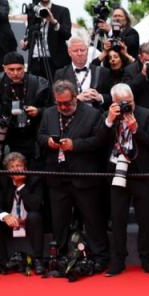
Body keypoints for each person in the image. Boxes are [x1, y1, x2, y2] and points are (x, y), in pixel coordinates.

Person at [37, 79, 109, 271]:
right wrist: (49, 143)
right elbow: (40, 135)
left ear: (76, 97)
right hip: (57, 176)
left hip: (83, 176)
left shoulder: (93, 114)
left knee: (93, 220)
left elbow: (100, 141)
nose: (63, 107)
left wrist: (75, 145)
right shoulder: (50, 113)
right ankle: (59, 257)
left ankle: (100, 257)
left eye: (67, 103)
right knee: (59, 221)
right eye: (59, 103)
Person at [100, 84, 149, 276]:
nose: (128, 106)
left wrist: (136, 130)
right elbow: (98, 143)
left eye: (130, 101)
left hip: (141, 173)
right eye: (123, 103)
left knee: (145, 219)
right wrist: (109, 121)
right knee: (117, 219)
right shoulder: (108, 116)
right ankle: (118, 261)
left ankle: (147, 260)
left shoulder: (147, 114)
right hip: (116, 172)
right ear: (114, 103)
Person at [0, 152, 45, 273]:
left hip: (30, 224)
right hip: (10, 225)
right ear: (7, 171)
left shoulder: (35, 180)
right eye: (12, 167)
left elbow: (36, 206)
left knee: (34, 216)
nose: (16, 169)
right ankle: (2, 261)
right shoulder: (3, 182)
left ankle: (38, 259)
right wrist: (6, 216)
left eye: (19, 165)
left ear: (25, 168)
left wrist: (21, 186)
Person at [0, 52, 50, 161]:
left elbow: (52, 109)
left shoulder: (39, 83)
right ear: (4, 68)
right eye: (11, 70)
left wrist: (38, 111)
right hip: (7, 132)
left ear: (24, 67)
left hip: (31, 133)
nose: (16, 73)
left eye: (19, 69)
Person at [22, 0, 72, 80]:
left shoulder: (62, 11)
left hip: (55, 61)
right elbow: (31, 32)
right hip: (36, 59)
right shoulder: (32, 11)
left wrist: (53, 21)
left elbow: (67, 34)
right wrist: (26, 43)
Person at [54, 36, 111, 109]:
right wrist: (76, 99)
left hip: (96, 116)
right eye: (75, 51)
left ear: (87, 51)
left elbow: (112, 97)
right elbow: (55, 100)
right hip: (71, 116)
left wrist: (100, 97)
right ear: (69, 52)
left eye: (82, 50)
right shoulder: (61, 74)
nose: (79, 53)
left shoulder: (103, 72)